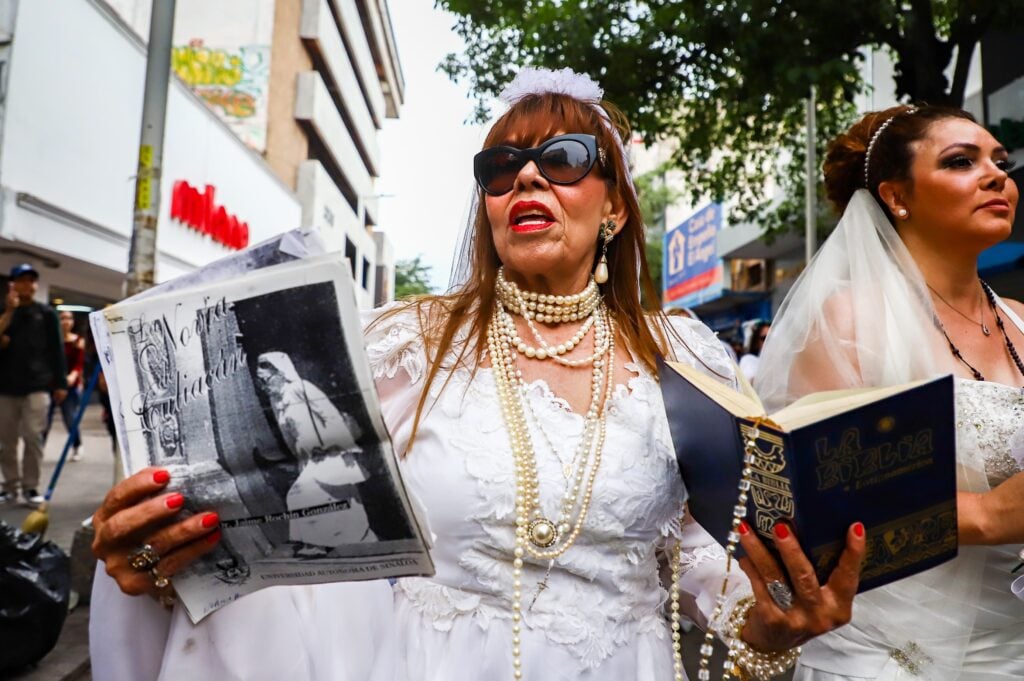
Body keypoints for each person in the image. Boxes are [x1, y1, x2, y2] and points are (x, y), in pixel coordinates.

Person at [87, 68, 865, 681]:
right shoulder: (404, 346)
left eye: (562, 160)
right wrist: (162, 554)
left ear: (617, 209)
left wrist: (767, 621)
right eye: (502, 166)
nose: (527, 178)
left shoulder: (687, 358)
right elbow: (285, 519)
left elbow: (699, 551)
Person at [757, 105, 1024, 680]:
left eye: (1000, 162)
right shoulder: (848, 322)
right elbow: (821, 513)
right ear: (896, 196)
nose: (997, 175)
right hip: (893, 652)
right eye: (960, 161)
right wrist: (987, 515)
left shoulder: (1023, 322)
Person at [254, 351, 376, 553]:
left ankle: (316, 544)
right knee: (339, 498)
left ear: (281, 373)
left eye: (268, 378)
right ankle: (358, 538)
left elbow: (329, 414)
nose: (265, 384)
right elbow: (290, 436)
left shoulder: (301, 388)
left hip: (329, 451)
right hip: (308, 458)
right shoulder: (277, 402)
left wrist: (336, 445)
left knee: (299, 496)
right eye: (262, 382)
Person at [0, 264, 67, 507]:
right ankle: (9, 487)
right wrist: (8, 311)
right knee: (5, 441)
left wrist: (60, 383)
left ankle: (30, 487)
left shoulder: (46, 313)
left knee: (32, 436)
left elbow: (56, 350)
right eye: (22, 280)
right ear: (13, 284)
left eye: (31, 280)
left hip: (37, 385)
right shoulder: (4, 311)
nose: (27, 285)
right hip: (6, 387)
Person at [43, 309, 86, 461]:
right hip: (51, 385)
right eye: (62, 318)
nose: (66, 321)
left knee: (70, 418)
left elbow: (79, 364)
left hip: (70, 385)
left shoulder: (77, 341)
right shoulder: (50, 341)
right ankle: (39, 449)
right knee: (44, 419)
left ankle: (77, 446)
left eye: (69, 318)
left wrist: (73, 377)